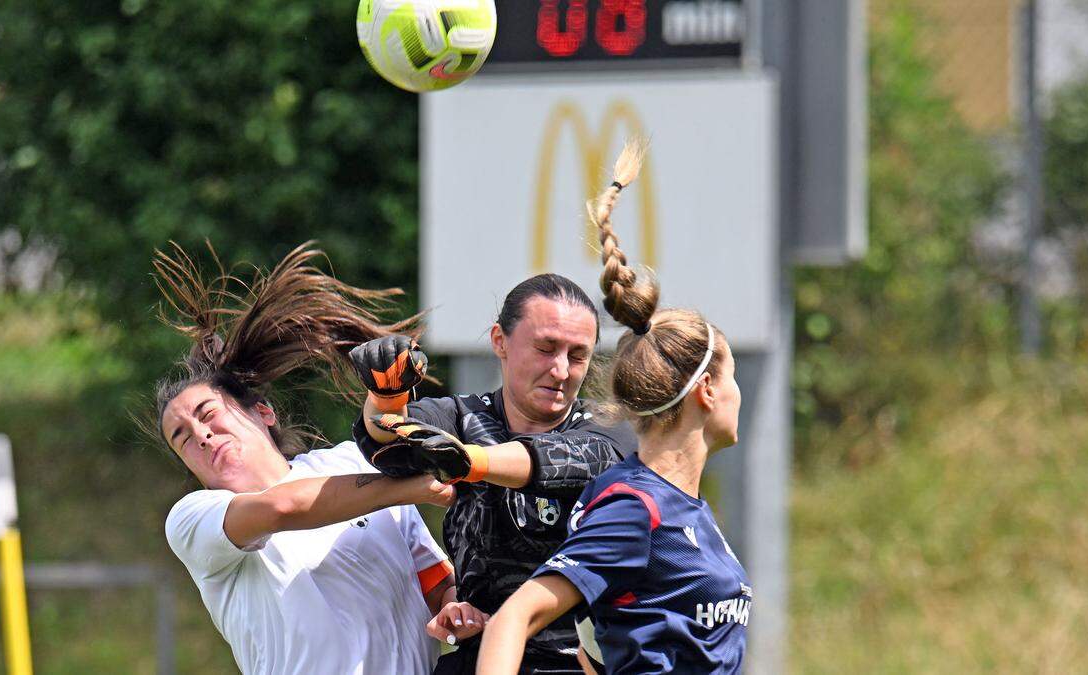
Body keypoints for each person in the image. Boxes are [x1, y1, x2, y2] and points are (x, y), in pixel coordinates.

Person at [475, 141, 751, 674]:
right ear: (708, 391)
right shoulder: (636, 507)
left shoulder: (680, 506)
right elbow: (516, 616)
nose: (739, 393)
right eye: (733, 376)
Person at [150, 242, 488, 675]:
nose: (201, 435)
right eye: (182, 438)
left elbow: (434, 580)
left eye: (207, 414)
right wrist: (405, 488)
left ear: (263, 412)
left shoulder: (355, 463)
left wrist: (452, 609)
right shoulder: (194, 519)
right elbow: (282, 506)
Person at [347, 275, 639, 671]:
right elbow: (389, 443)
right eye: (545, 348)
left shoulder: (609, 428)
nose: (560, 370)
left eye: (577, 356)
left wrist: (472, 462)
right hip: (481, 659)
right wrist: (385, 396)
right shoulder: (461, 416)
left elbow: (576, 459)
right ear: (499, 340)